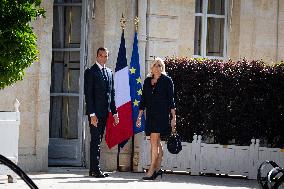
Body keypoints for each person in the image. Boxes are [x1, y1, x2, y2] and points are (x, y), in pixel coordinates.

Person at [136, 57, 176, 180]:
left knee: (154, 142)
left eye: (160, 65)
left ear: (162, 67)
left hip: (162, 116)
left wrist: (174, 118)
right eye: (155, 65)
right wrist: (139, 116)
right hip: (150, 116)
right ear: (151, 67)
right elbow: (143, 101)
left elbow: (171, 101)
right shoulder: (147, 81)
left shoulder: (167, 81)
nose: (157, 67)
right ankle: (158, 169)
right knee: (156, 142)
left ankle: (151, 170)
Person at [84, 47, 119, 178]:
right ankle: (95, 170)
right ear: (97, 56)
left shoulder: (109, 72)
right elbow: (88, 95)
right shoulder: (90, 72)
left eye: (105, 56)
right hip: (95, 115)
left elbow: (112, 94)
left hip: (105, 113)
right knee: (95, 141)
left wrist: (115, 113)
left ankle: (94, 169)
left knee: (98, 141)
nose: (103, 58)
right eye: (101, 56)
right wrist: (92, 114)